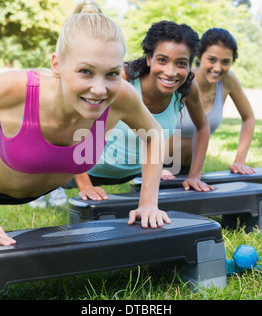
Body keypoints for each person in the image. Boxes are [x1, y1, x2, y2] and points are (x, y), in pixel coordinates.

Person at [0, 0, 169, 248]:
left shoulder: (121, 97)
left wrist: (148, 201)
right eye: (86, 71)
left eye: (112, 73)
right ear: (56, 65)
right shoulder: (14, 89)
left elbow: (153, 135)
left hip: (40, 180)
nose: (100, 89)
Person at [68, 20, 213, 202]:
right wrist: (85, 184)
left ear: (190, 65)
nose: (170, 71)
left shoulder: (187, 89)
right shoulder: (123, 79)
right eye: (162, 60)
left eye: (181, 63)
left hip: (134, 174)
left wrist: (194, 175)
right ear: (149, 58)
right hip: (91, 169)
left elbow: (203, 126)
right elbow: (73, 122)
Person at [167, 27, 255, 175]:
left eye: (226, 62)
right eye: (212, 60)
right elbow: (151, 120)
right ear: (199, 56)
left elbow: (249, 117)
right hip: (158, 165)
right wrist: (156, 167)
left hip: (191, 170)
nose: (218, 67)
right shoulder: (181, 79)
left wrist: (240, 160)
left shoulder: (228, 81)